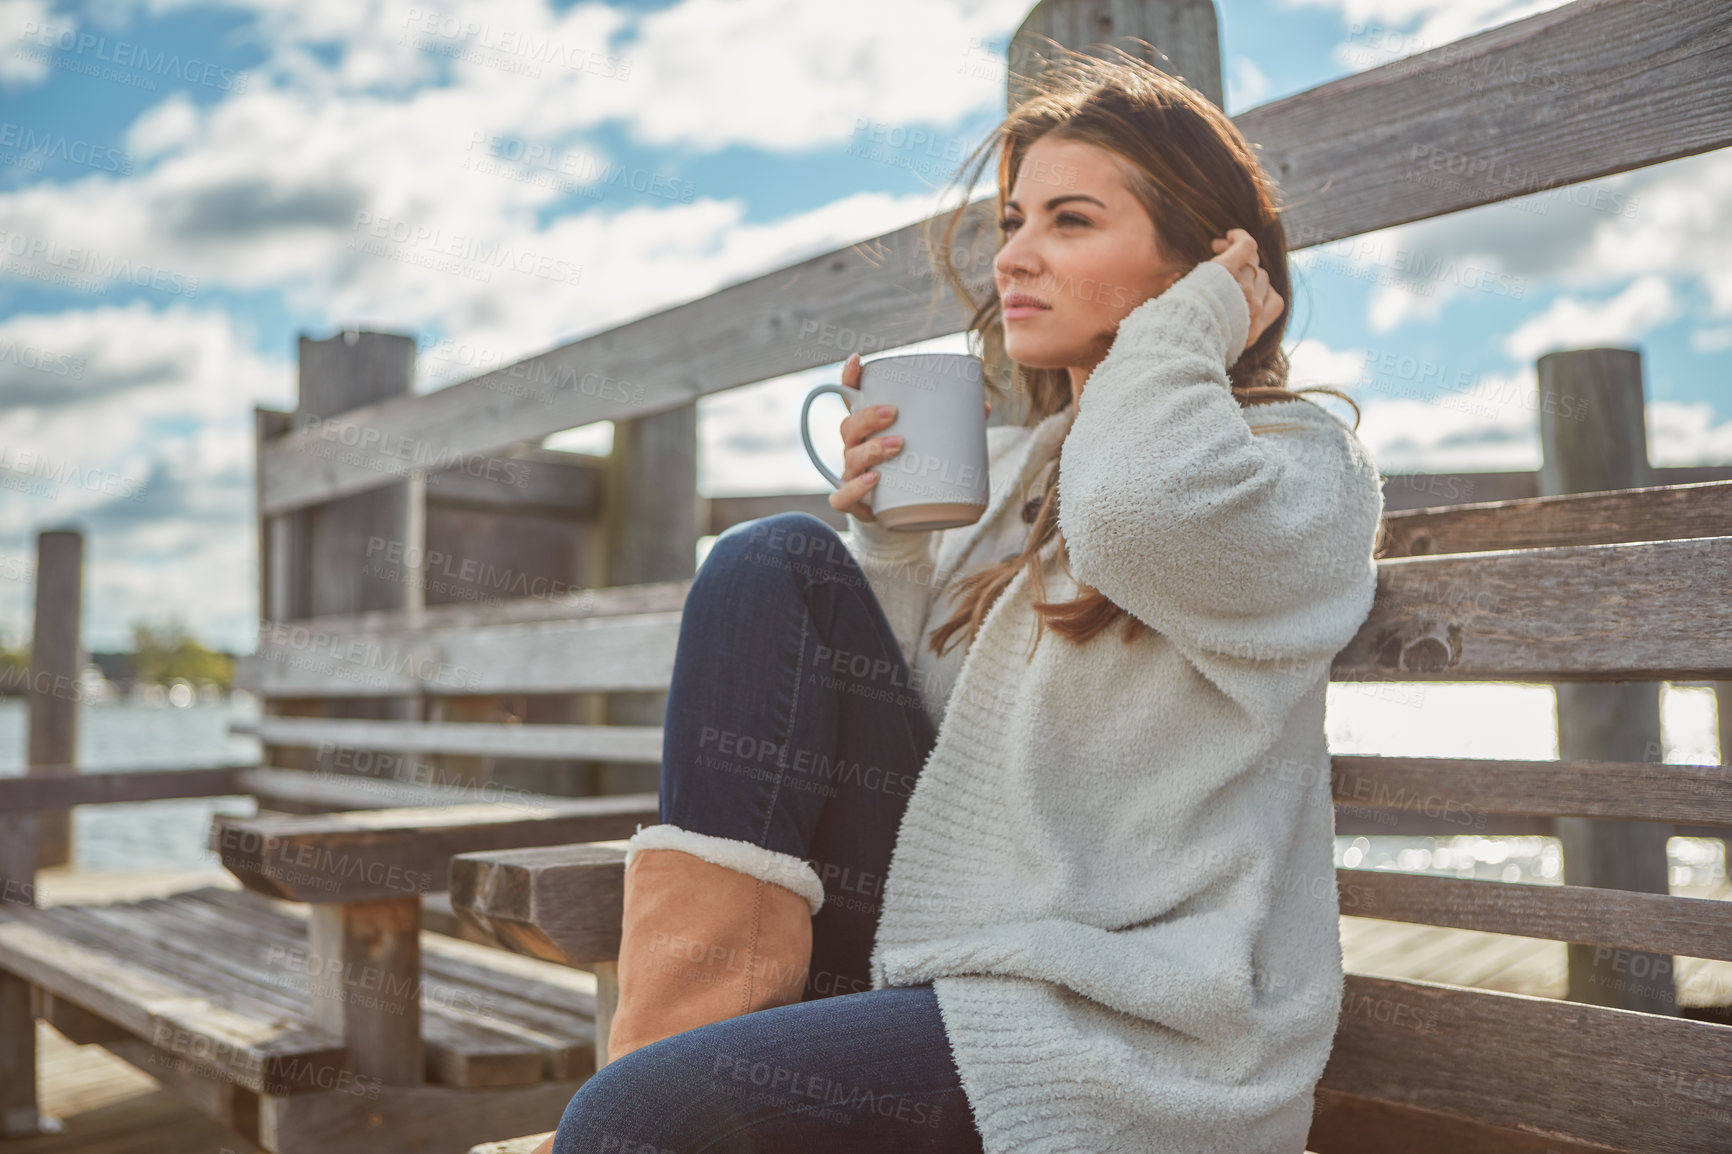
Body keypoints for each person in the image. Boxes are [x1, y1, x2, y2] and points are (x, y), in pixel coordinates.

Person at [544, 41, 1384, 1154]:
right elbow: (926, 743)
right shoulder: (1035, 464)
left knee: (633, 1116)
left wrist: (1187, 327)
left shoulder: (1294, 461)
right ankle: (683, 1048)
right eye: (1011, 220)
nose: (1013, 258)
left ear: (1201, 262)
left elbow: (1134, 517)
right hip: (945, 944)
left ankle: (668, 1088)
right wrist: (890, 548)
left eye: (1069, 221)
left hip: (1112, 1024)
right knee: (770, 557)